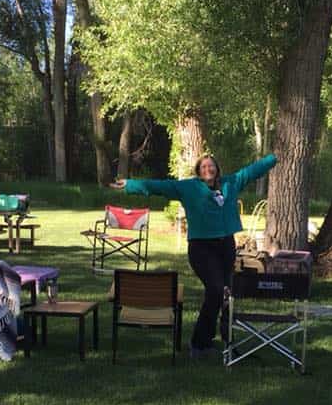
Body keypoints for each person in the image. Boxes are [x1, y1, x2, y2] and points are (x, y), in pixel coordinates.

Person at [111, 153, 277, 358]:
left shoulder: (230, 183)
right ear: (199, 172)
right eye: (204, 167)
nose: (208, 169)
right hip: (201, 248)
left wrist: (274, 158)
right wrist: (130, 185)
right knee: (216, 290)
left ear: (217, 169)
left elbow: (252, 171)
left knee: (226, 294)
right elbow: (159, 186)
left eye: (211, 166)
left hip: (225, 245)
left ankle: (224, 343)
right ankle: (199, 344)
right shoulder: (188, 188)